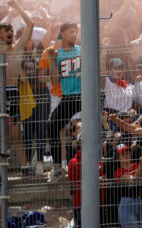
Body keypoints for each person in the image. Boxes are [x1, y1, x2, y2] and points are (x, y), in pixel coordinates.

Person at [0, 0, 34, 176]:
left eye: (11, 30)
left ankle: (25, 166)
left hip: (11, 91)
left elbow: (30, 24)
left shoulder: (18, 48)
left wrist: (17, 7)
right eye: (6, 30)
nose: (10, 32)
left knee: (14, 134)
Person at [46, 22, 81, 182]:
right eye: (71, 32)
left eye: (76, 32)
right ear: (62, 34)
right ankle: (58, 167)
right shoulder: (57, 54)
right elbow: (55, 81)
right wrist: (53, 61)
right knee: (52, 126)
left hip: (84, 95)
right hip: (68, 97)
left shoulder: (82, 50)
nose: (74, 35)